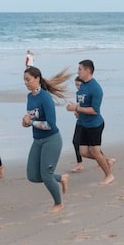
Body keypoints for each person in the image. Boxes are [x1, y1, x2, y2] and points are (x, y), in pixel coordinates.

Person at [21, 65, 72, 213]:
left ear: (37, 79)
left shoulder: (45, 98)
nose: (26, 83)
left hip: (51, 140)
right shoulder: (30, 97)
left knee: (46, 175)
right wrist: (25, 122)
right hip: (37, 140)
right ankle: (62, 178)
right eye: (24, 80)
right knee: (33, 175)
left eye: (28, 80)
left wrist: (30, 122)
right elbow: (31, 117)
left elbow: (50, 124)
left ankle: (58, 204)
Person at [65, 59, 116, 185]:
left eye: (80, 69)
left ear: (87, 71)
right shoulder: (82, 86)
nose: (78, 72)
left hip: (94, 125)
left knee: (95, 151)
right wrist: (77, 111)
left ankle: (109, 175)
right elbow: (82, 105)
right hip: (83, 123)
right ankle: (107, 160)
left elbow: (94, 110)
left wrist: (76, 108)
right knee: (83, 152)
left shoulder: (96, 88)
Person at [70, 76, 85, 173]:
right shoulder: (78, 93)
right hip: (80, 121)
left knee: (91, 145)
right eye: (76, 85)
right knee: (75, 141)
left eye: (79, 85)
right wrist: (76, 112)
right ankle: (79, 163)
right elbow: (79, 106)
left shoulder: (87, 92)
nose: (77, 87)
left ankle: (105, 160)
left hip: (87, 121)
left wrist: (78, 110)